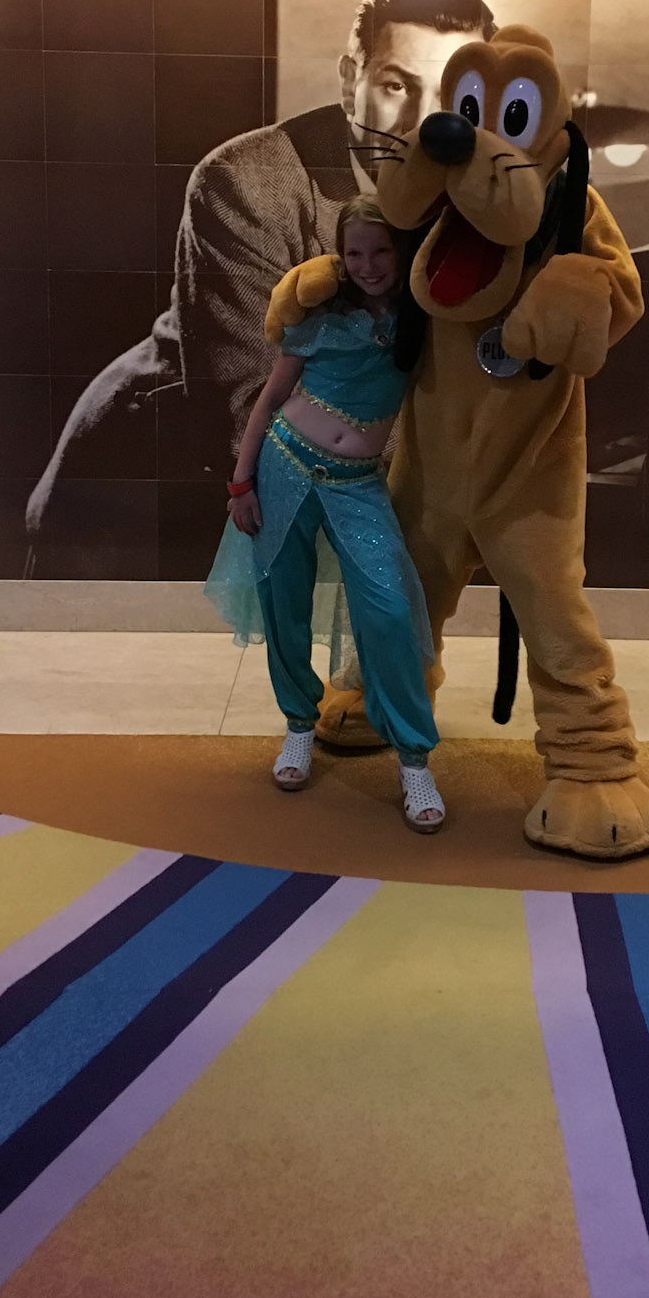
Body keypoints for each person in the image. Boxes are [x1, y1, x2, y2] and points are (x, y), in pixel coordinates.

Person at [25, 0, 496, 559]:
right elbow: (260, 407)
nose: (423, 123)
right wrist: (463, 458)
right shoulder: (245, 182)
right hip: (151, 493)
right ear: (350, 81)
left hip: (341, 489)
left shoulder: (482, 189)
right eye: (397, 85)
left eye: (451, 94)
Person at [203, 196, 445, 833]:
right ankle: (298, 726)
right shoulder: (318, 314)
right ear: (340, 255)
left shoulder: (423, 319)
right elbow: (268, 400)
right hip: (282, 467)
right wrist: (240, 483)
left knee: (389, 609)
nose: (368, 265)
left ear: (402, 251)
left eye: (381, 250)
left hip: (357, 484)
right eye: (354, 252)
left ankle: (414, 759)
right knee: (283, 602)